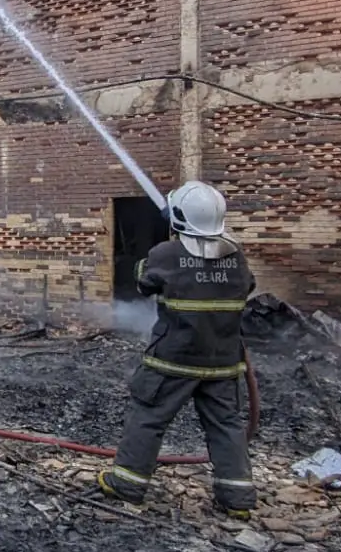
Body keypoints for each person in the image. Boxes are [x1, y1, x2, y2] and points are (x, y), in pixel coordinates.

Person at [98, 180, 258, 519]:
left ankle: (127, 484)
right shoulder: (237, 256)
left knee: (149, 416)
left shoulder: (166, 254)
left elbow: (143, 280)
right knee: (226, 424)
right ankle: (237, 498)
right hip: (222, 362)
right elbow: (249, 286)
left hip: (172, 359)